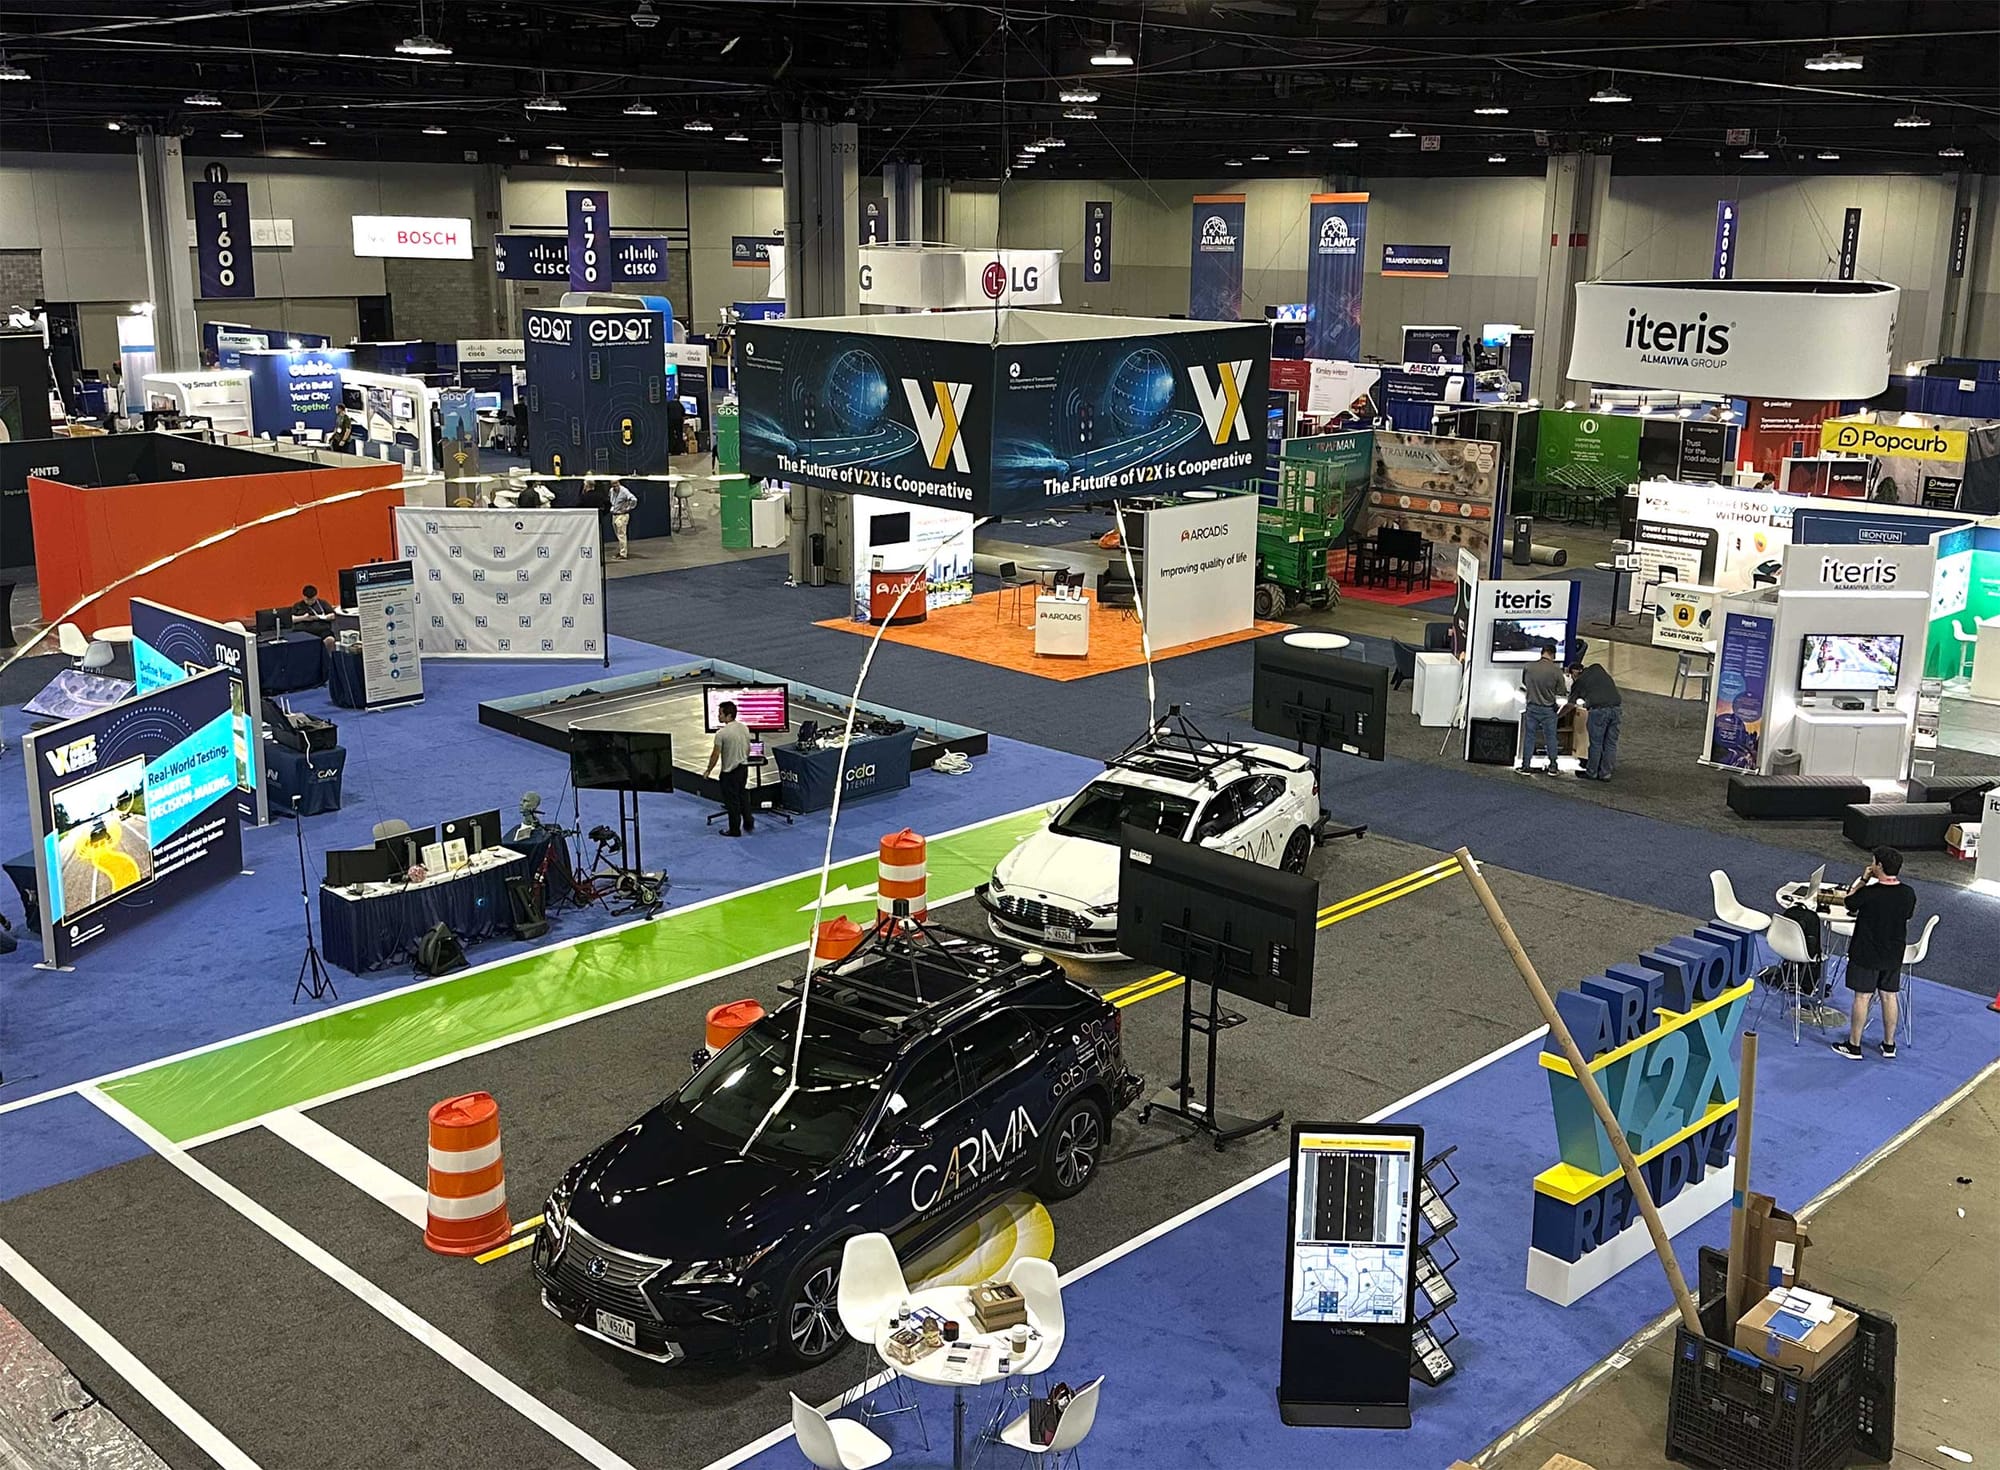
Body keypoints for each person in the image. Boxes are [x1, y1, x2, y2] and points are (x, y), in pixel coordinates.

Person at [1831, 847, 1917, 1060]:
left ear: (1878, 866)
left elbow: (1849, 902)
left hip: (1867, 953)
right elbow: (1907, 915)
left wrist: (1863, 878)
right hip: (1893, 954)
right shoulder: (1908, 893)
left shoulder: (1869, 893)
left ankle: (1854, 1045)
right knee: (1889, 996)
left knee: (1862, 997)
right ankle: (1889, 1045)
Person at [1561, 642, 1623, 782]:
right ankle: (1606, 773)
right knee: (1611, 743)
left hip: (1599, 711)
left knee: (1596, 743)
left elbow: (1570, 704)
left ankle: (1592, 772)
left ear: (1574, 673)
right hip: (1617, 708)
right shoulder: (1597, 667)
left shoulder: (1578, 682)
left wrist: (1557, 716)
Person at [704, 700, 754, 837]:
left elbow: (715, 754)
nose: (718, 716)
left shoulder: (722, 733)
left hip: (729, 773)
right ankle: (749, 822)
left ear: (729, 715)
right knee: (742, 796)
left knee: (732, 802)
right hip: (743, 769)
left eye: (720, 714)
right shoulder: (744, 727)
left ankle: (734, 830)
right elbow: (748, 749)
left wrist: (708, 770)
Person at [1518, 642, 1566, 775]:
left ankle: (1526, 766)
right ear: (1553, 654)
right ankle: (1553, 766)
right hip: (1549, 710)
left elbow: (1524, 682)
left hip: (1532, 707)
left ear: (1542, 652)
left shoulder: (1528, 666)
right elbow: (1562, 691)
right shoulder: (1556, 671)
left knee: (1529, 737)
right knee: (1551, 738)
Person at [609, 481, 638, 560]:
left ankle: (623, 554)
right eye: (613, 485)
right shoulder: (611, 491)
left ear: (619, 483)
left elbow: (634, 499)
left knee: (622, 535)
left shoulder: (624, 491)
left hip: (622, 515)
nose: (615, 487)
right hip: (614, 515)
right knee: (618, 535)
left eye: (616, 485)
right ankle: (621, 551)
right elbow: (612, 502)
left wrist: (628, 508)